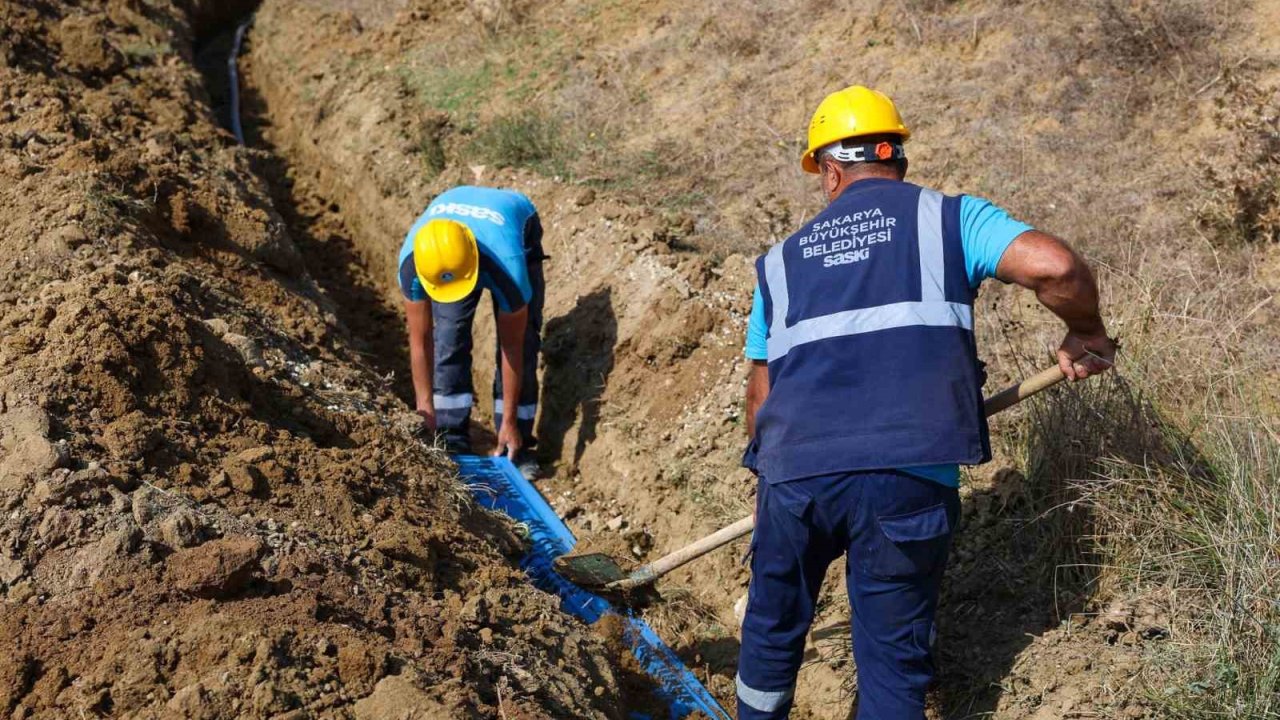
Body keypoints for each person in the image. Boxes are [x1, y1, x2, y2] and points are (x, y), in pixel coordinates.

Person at [735, 85, 1116, 719]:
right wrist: (1087, 332)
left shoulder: (778, 264)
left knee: (771, 635)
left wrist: (775, 486)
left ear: (829, 171)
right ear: (898, 157)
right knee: (892, 664)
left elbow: (761, 393)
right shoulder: (949, 220)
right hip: (907, 477)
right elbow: (1055, 267)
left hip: (795, 477)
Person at [398, 185, 546, 481]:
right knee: (449, 335)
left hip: (513, 224)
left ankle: (517, 441)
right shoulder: (413, 263)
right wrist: (425, 409)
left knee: (525, 338)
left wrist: (510, 421)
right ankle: (451, 432)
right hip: (450, 241)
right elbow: (420, 342)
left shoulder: (508, 266)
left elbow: (512, 348)